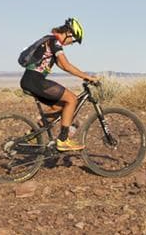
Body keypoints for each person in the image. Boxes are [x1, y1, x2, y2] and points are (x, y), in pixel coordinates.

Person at [19, 18, 98, 151]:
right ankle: (63, 140)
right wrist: (87, 77)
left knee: (60, 106)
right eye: (74, 40)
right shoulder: (54, 41)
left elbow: (62, 65)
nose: (72, 43)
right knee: (72, 99)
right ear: (68, 32)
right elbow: (66, 66)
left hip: (30, 81)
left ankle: (32, 135)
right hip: (35, 80)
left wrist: (83, 76)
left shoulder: (50, 42)